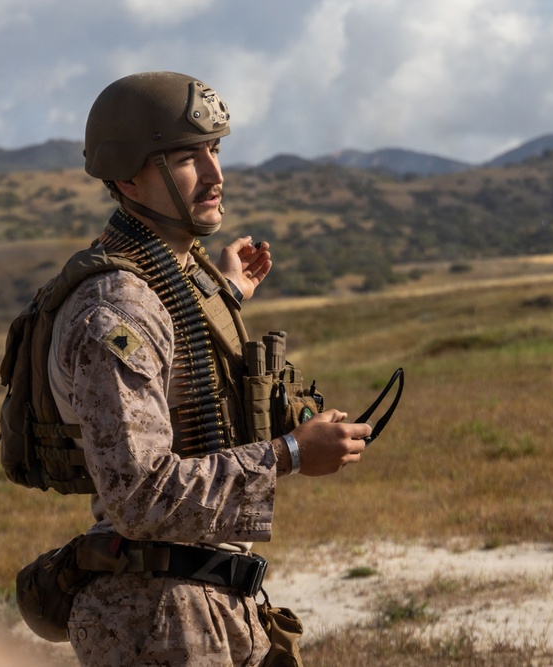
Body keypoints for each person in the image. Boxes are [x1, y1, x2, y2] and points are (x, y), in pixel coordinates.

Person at [50, 71, 370, 666]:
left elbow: (174, 377)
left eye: (215, 149)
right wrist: (290, 454)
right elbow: (138, 495)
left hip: (198, 601)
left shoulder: (163, 289)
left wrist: (219, 294)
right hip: (155, 620)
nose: (216, 175)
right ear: (126, 176)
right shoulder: (113, 312)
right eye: (185, 158)